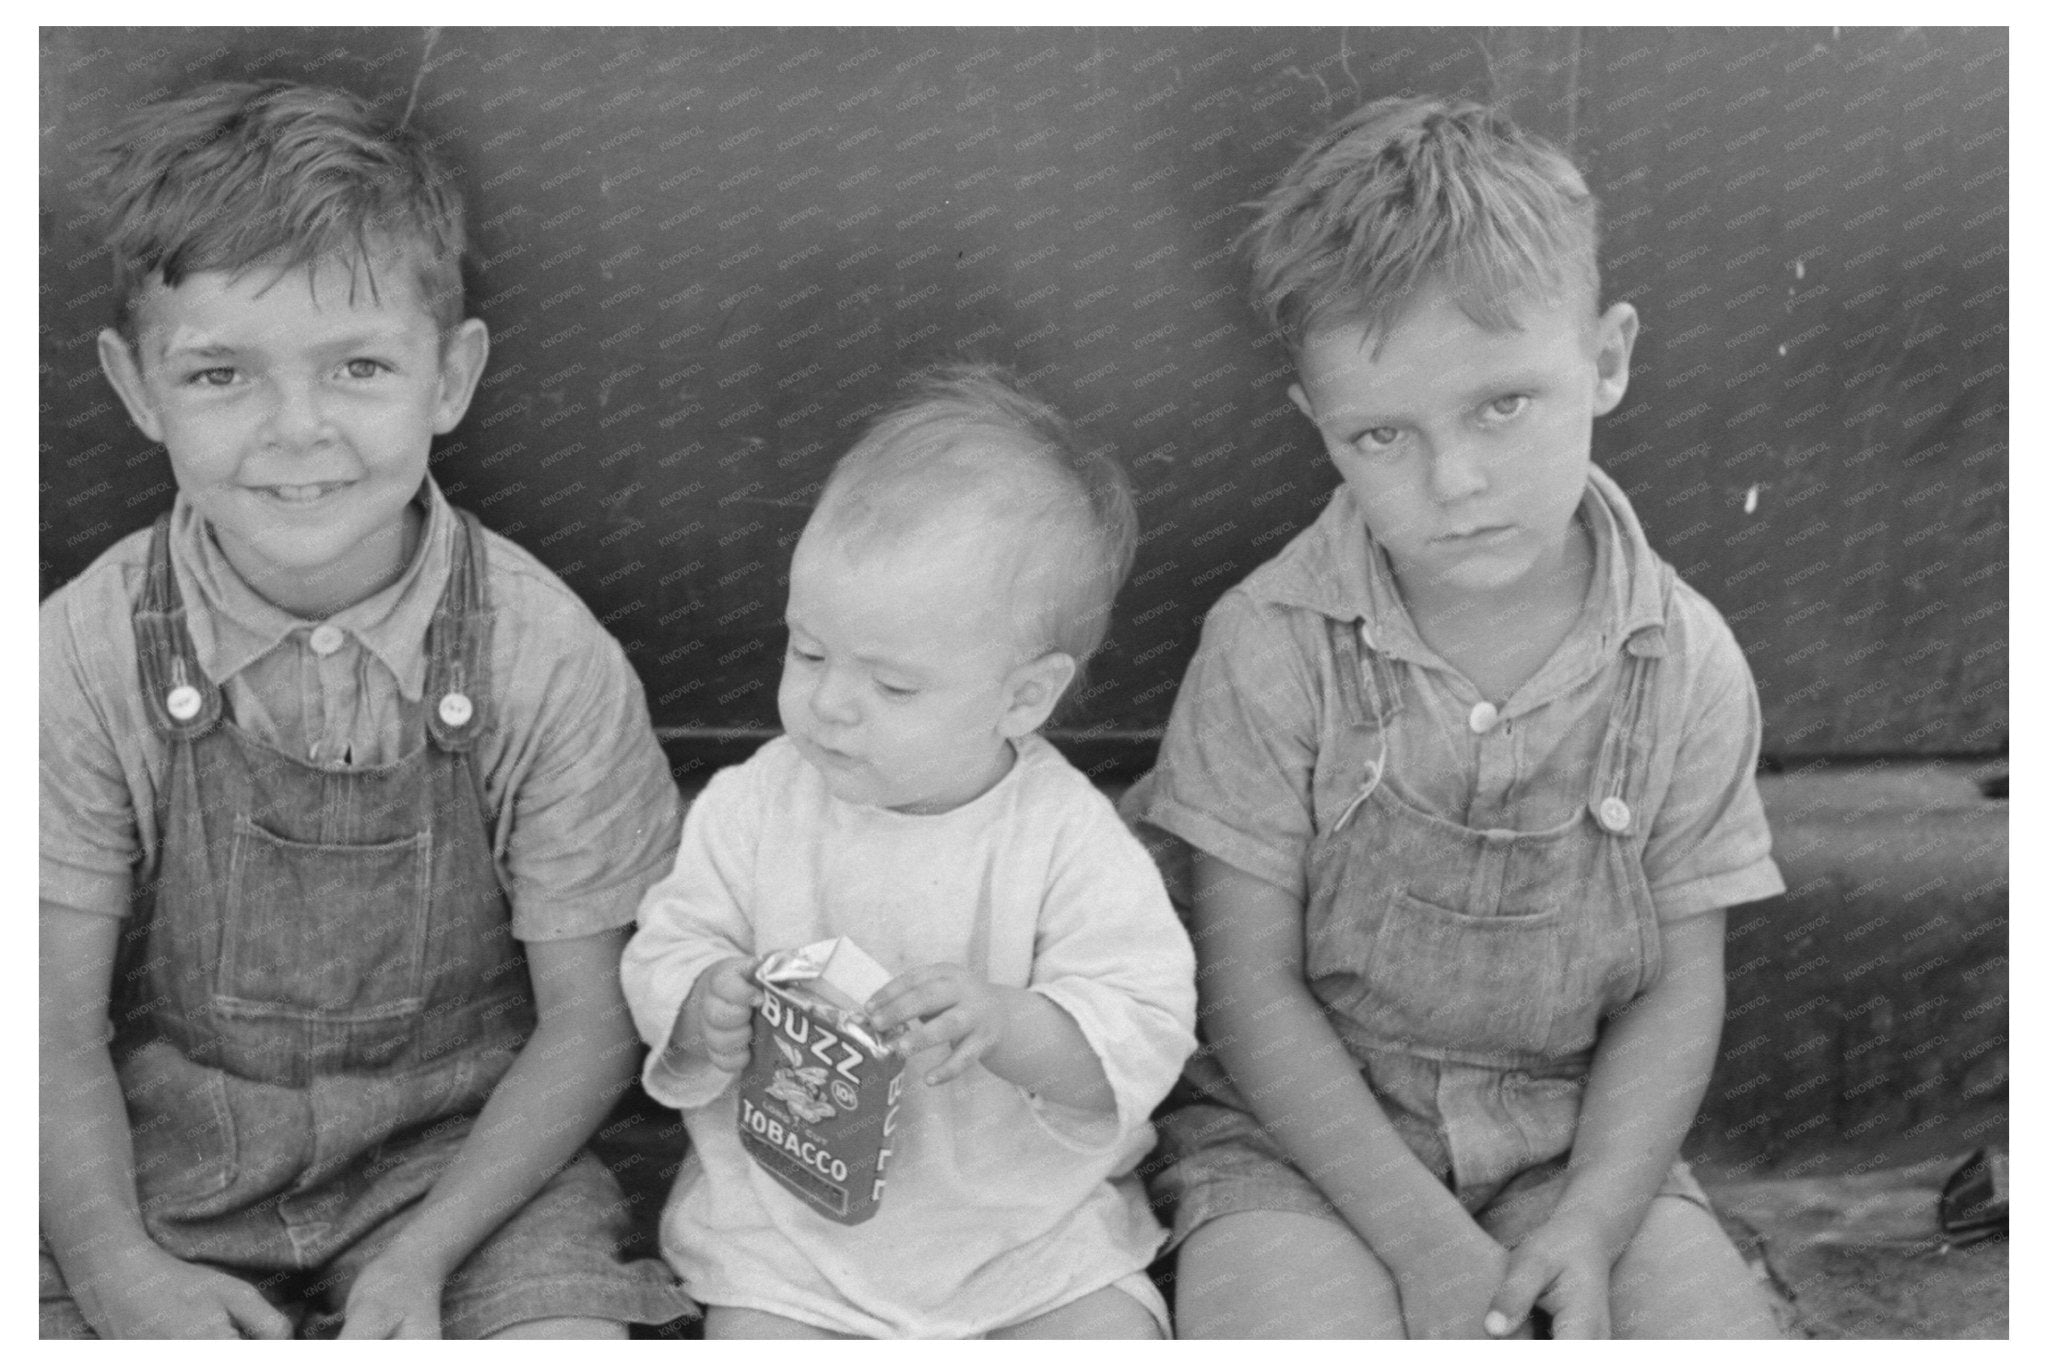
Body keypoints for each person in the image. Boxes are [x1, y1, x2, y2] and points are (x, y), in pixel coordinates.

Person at [1124, 96, 1787, 1339]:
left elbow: (1673, 989)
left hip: (1575, 1146)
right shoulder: (1269, 643)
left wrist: (1590, 1217)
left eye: (1502, 405)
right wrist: (1424, 1245)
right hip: (1298, 1150)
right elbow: (1245, 981)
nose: (1454, 482)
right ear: (1314, 421)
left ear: (1605, 355)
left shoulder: (1684, 664)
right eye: (1381, 434)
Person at [39, 80, 692, 1340]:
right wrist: (117, 1268)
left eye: (358, 366)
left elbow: (591, 1020)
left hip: (472, 1174)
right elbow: (48, 1025)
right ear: (135, 387)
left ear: (449, 376)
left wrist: (424, 1261)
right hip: (157, 1170)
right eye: (221, 372)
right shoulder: (79, 652)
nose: (299, 431)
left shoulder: (545, 655)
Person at [620, 365, 1197, 1339]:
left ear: (1021, 697)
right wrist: (699, 1000)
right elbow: (668, 939)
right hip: (787, 1234)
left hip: (1026, 1236)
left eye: (891, 685)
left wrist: (1009, 1024)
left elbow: (1141, 1027)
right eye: (807, 652)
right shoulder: (756, 802)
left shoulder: (1062, 838)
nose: (831, 702)